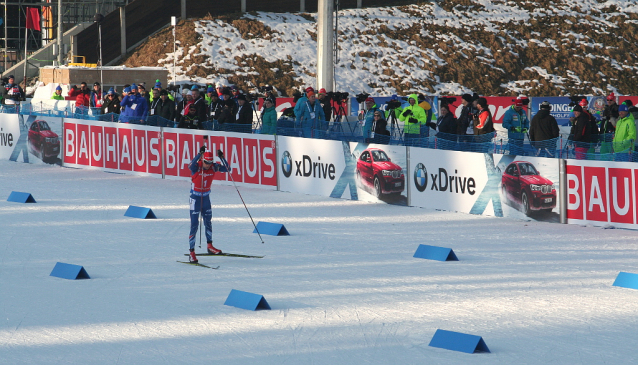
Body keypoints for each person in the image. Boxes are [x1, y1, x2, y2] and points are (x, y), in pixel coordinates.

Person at [187, 148, 228, 263]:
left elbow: (228, 169)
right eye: (206, 162)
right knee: (194, 225)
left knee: (208, 222)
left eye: (210, 163)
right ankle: (191, 253)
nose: (207, 165)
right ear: (202, 160)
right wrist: (199, 154)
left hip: (205, 198)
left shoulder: (213, 167)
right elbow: (190, 165)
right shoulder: (197, 166)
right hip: (195, 199)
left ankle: (210, 246)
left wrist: (222, 157)